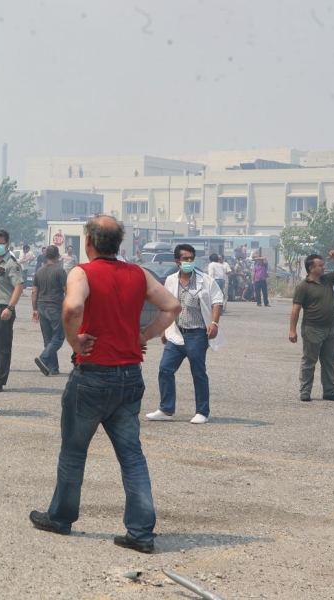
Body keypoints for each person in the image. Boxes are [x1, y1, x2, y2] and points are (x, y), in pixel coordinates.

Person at [29, 215, 181, 552]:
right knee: (132, 457)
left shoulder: (82, 272)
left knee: (74, 452)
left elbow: (73, 306)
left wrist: (74, 341)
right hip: (129, 375)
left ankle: (60, 517)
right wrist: (144, 334)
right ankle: (141, 533)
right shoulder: (138, 273)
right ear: (119, 243)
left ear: (88, 242)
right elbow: (172, 306)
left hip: (93, 376)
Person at [146, 244, 224, 424]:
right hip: (176, 333)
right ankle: (166, 409)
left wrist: (214, 323)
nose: (189, 261)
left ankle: (202, 412)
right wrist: (165, 329)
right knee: (165, 369)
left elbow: (217, 301)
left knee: (198, 372)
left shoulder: (206, 280)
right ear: (177, 261)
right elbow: (166, 306)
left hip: (197, 334)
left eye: (191, 258)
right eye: (185, 258)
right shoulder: (171, 280)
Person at [289, 251, 334, 402]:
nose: (324, 267)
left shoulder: (327, 280)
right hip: (312, 329)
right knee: (309, 361)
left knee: (329, 361)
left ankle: (329, 391)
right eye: (320, 265)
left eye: (323, 265)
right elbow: (295, 310)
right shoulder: (303, 286)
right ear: (311, 268)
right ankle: (305, 391)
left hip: (330, 329)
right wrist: (292, 330)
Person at [0, 229, 24, 393]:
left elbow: (18, 287)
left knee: (2, 348)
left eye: (1, 243)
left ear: (7, 244)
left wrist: (10, 307)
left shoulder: (12, 264)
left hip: (3, 309)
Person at [32, 245, 67, 376]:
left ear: (45, 255)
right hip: (55, 306)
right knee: (58, 337)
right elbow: (66, 290)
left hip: (41, 306)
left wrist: (34, 309)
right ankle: (43, 358)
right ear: (58, 256)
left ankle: (53, 368)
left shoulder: (39, 271)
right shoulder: (60, 271)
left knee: (48, 338)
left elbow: (34, 291)